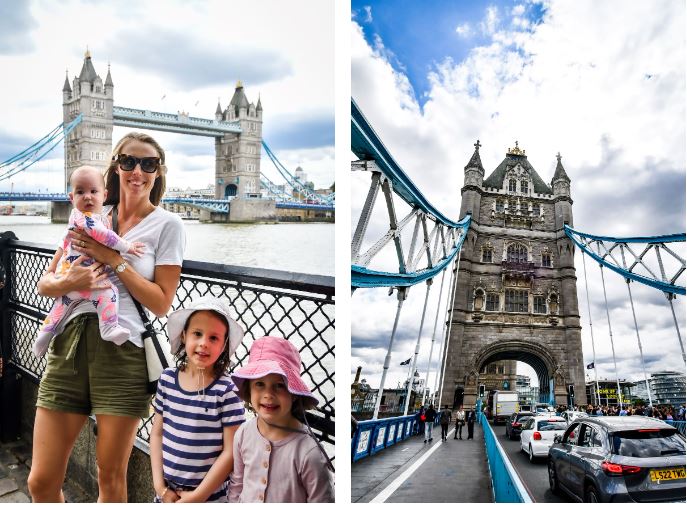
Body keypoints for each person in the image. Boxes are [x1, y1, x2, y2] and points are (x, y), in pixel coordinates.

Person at [28, 132, 185, 502]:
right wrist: (73, 279)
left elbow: (162, 303)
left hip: (123, 351)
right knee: (40, 481)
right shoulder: (90, 213)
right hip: (68, 344)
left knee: (110, 477)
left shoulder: (168, 225)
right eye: (129, 161)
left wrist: (114, 258)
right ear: (116, 166)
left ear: (158, 172)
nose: (137, 171)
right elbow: (45, 283)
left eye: (149, 164)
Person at [34, 166, 146, 357]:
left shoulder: (75, 219)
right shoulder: (88, 219)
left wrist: (63, 277)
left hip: (69, 276)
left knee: (58, 311)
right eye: (81, 192)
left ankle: (43, 337)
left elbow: (63, 244)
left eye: (93, 191)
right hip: (90, 279)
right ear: (72, 198)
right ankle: (109, 327)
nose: (87, 196)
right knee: (110, 293)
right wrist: (127, 247)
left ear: (104, 194)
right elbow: (104, 236)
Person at [150, 296, 246, 503]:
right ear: (184, 336)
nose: (204, 343)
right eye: (197, 334)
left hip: (208, 497)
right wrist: (160, 487)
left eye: (214, 338)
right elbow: (157, 434)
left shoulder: (227, 390)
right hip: (167, 493)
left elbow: (230, 453)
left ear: (223, 346)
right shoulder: (167, 379)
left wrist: (197, 496)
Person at [229, 336, 334, 502]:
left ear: (293, 393)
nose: (268, 394)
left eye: (280, 385)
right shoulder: (243, 434)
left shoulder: (309, 453)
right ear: (249, 390)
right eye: (259, 384)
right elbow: (237, 484)